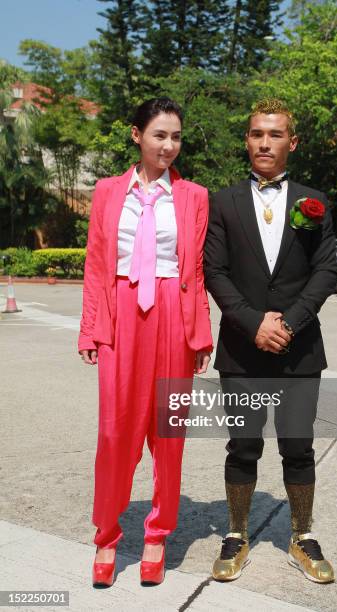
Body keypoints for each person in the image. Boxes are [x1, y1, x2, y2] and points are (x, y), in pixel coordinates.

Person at [78, 97, 213, 587]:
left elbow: (194, 268)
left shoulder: (194, 196)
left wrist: (200, 333)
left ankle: (157, 534)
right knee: (115, 433)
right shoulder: (108, 191)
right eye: (160, 135)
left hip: (174, 318)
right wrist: (91, 325)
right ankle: (107, 536)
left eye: (176, 136)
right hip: (121, 313)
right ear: (137, 136)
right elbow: (96, 264)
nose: (169, 146)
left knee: (169, 431)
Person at [204, 98, 337, 584]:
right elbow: (214, 271)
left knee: (298, 447)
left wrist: (289, 323)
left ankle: (302, 537)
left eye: (275, 134)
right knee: (243, 447)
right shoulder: (221, 202)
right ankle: (237, 534)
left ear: (292, 142)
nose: (265, 142)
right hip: (241, 350)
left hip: (300, 350)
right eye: (257, 133)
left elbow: (326, 271)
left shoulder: (314, 201)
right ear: (247, 139)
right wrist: (253, 323)